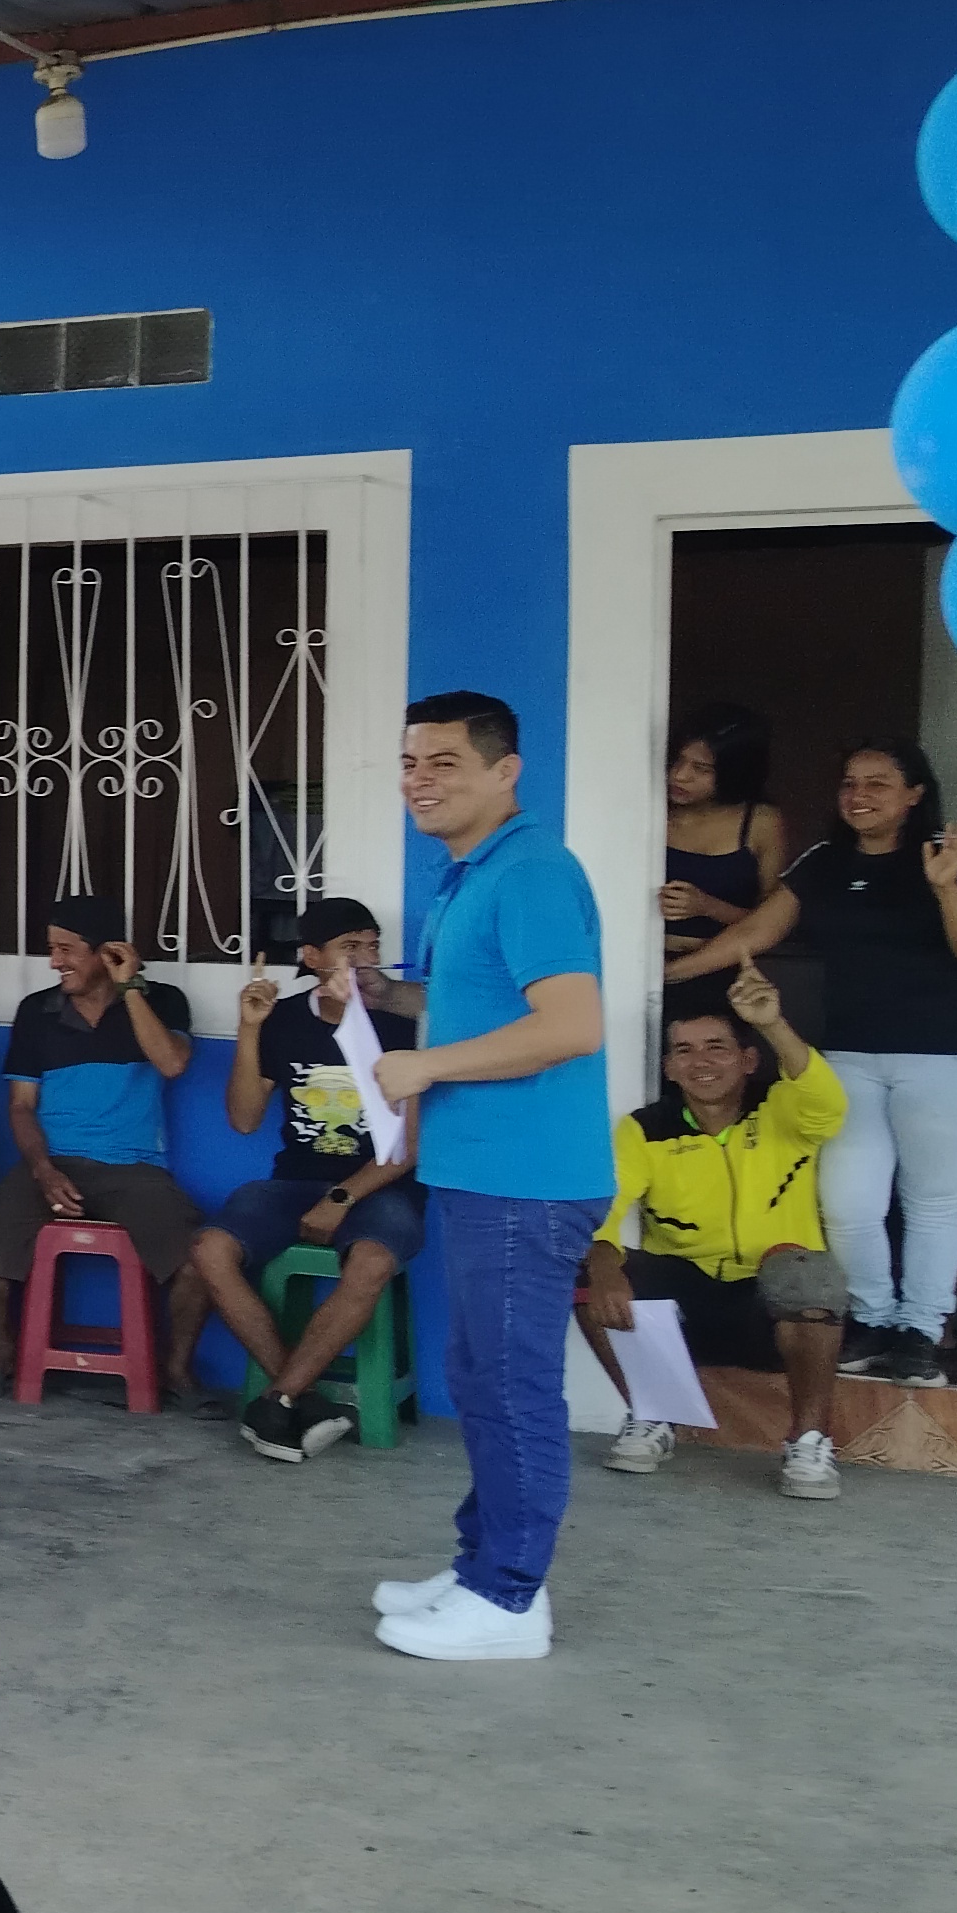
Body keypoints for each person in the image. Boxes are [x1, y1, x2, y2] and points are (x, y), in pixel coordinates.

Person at [370, 691, 610, 1665]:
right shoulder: (472, 872)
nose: (419, 781)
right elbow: (479, 1000)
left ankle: (510, 1600)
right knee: (480, 1379)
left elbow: (570, 1025)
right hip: (485, 1172)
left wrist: (424, 1067)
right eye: (409, 762)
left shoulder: (533, 872)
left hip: (527, 1177)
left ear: (505, 772)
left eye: (444, 763)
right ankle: (483, 1566)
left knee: (511, 1389)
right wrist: (385, 997)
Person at [666, 740, 957, 1389]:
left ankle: (921, 1332)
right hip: (851, 1054)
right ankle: (872, 1318)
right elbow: (756, 932)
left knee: (932, 1201)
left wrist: (945, 889)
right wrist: (666, 976)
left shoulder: (954, 855)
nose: (859, 795)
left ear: (914, 794)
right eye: (850, 782)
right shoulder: (824, 860)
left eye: (879, 783)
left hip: (951, 1058)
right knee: (848, 1200)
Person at [579, 964, 852, 1499]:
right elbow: (604, 1208)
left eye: (716, 1048)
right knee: (584, 1274)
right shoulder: (645, 1128)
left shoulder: (781, 1109)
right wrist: (603, 1263)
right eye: (684, 1051)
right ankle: (650, 1415)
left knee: (808, 1272)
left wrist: (771, 1023)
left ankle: (809, 1441)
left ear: (748, 1060)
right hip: (688, 1303)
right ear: (669, 1067)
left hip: (770, 1303)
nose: (700, 1062)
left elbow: (827, 1104)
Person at [189, 899, 424, 1466]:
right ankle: (304, 1398)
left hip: (382, 1186)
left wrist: (342, 1198)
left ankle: (278, 1399)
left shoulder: (403, 1022)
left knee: (371, 1261)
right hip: (295, 1182)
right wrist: (250, 1030)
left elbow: (407, 1149)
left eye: (373, 946)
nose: (366, 959)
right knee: (210, 1250)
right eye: (350, 947)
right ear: (313, 957)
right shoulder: (287, 1019)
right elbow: (244, 1119)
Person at [0, 895, 207, 1393]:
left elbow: (171, 1063)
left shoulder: (162, 1001)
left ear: (108, 952)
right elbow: (21, 1107)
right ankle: (4, 1354)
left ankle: (176, 1370)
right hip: (51, 1165)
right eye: (52, 949)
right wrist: (42, 1169)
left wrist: (130, 988)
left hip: (133, 1170)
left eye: (67, 950)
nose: (54, 962)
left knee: (198, 1262)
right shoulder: (37, 1012)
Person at [657, 705, 784, 976]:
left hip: (716, 968)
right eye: (677, 761)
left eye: (701, 769)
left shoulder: (761, 821)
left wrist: (707, 906)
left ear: (734, 771)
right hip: (635, 963)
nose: (680, 775)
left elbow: (774, 920)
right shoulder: (649, 808)